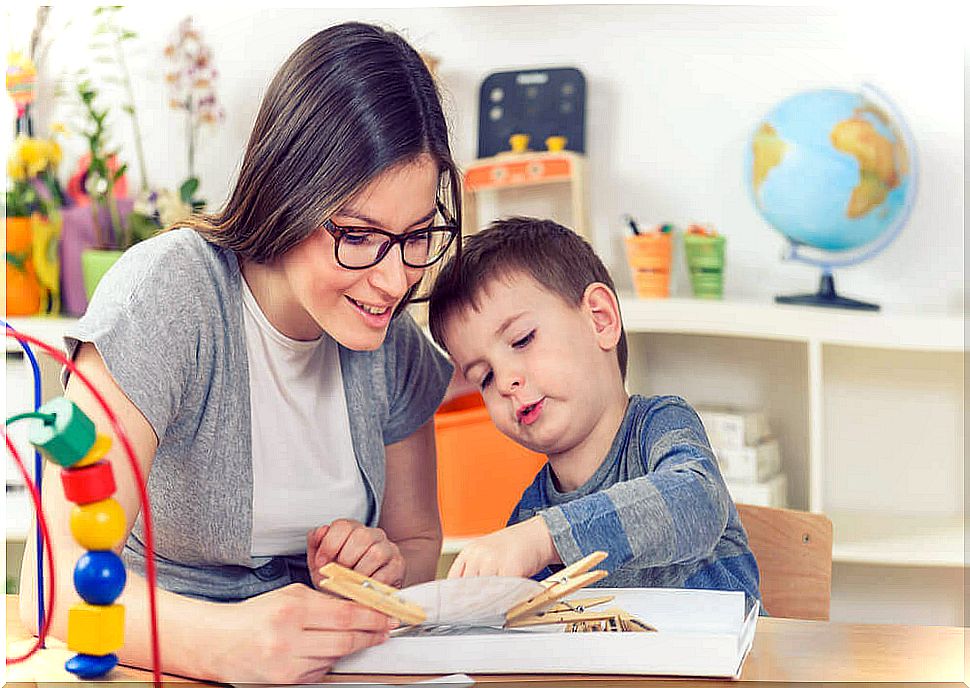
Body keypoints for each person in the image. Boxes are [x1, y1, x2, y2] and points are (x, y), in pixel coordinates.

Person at [20, 22, 462, 683]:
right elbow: (52, 581)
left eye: (417, 235)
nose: (396, 280)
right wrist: (222, 643)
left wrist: (383, 570)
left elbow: (418, 544)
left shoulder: (391, 343)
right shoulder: (170, 297)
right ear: (289, 192)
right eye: (361, 235)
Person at [427, 217, 761, 605]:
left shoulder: (659, 425)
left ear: (600, 319)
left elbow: (697, 502)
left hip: (735, 664)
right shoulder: (529, 516)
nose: (505, 383)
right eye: (484, 377)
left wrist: (546, 539)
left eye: (522, 340)